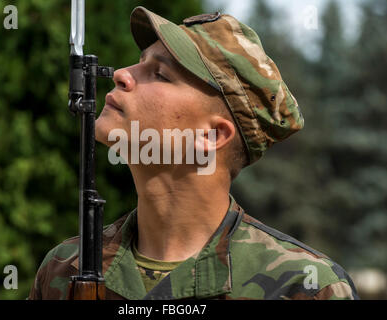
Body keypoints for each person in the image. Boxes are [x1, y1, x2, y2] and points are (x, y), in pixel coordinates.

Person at [28, 6, 358, 300]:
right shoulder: (63, 269)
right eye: (141, 62)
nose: (121, 74)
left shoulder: (304, 287)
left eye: (160, 73)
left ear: (212, 135)